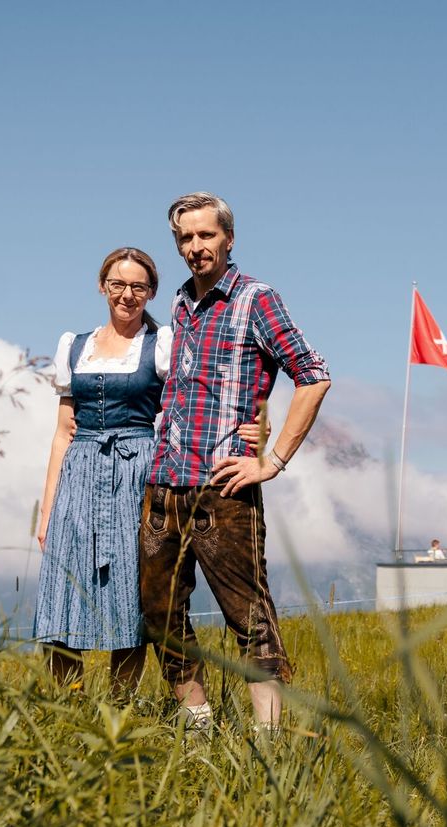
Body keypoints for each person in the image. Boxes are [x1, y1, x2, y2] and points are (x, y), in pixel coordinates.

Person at [140, 192, 331, 733]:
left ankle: (268, 745)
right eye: (185, 238)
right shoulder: (178, 305)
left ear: (228, 238)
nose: (196, 246)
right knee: (160, 614)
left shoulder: (256, 299)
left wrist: (272, 460)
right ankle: (198, 730)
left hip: (223, 490)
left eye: (206, 235)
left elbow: (313, 375)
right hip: (163, 484)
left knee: (249, 619)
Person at [33, 247, 174, 693]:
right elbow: (61, 433)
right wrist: (47, 509)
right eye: (118, 284)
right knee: (60, 598)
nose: (127, 295)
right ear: (102, 287)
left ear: (150, 292)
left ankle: (119, 711)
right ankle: (67, 712)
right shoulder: (74, 345)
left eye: (137, 286)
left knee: (127, 599)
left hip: (135, 475)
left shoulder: (162, 344)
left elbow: (180, 413)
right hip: (78, 474)